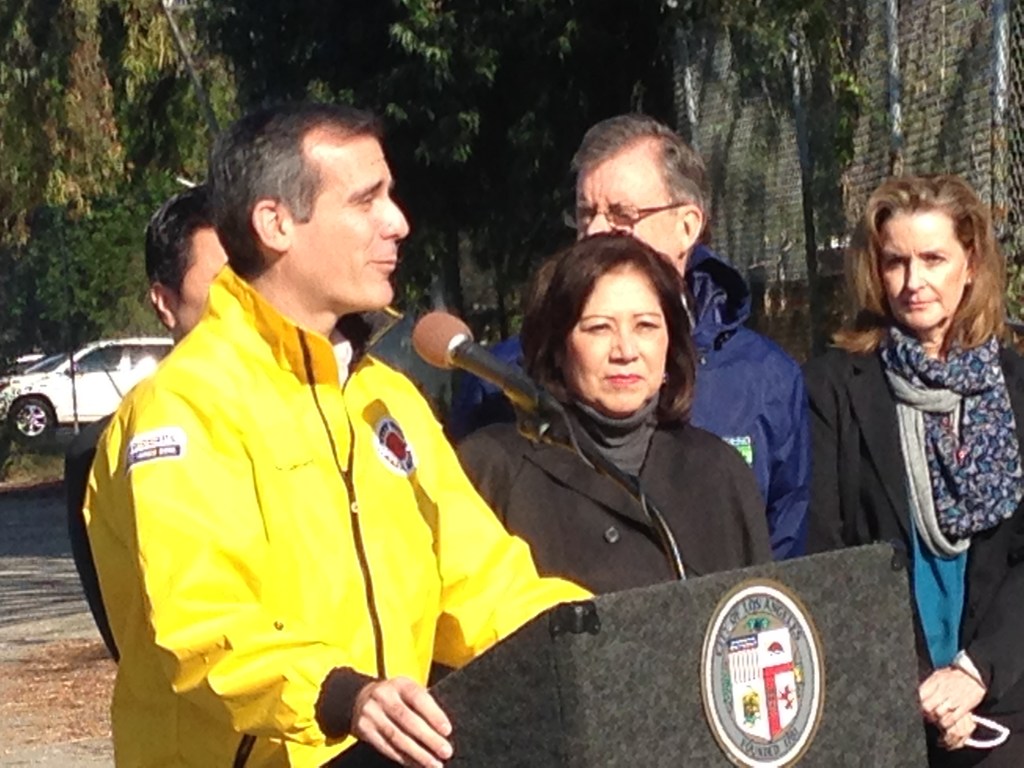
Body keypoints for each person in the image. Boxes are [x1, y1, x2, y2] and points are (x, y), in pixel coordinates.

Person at [83, 102, 588, 768]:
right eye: (366, 199)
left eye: (392, 196)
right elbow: (204, 626)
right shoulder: (184, 406)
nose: (398, 221)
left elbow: (484, 586)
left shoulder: (387, 399)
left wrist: (603, 636)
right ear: (275, 224)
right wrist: (344, 696)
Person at [450, 114, 810, 560]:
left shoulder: (766, 380)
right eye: (586, 214)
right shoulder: (500, 379)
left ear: (687, 226)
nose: (597, 232)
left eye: (623, 215)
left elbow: (783, 555)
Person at [804, 174, 1024, 766]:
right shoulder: (837, 386)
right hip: (888, 690)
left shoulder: (1016, 386)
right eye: (896, 261)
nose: (914, 281)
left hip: (1004, 696)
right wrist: (919, 684)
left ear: (970, 263)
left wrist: (977, 672)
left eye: (933, 258)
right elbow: (829, 549)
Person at [458, 233, 772, 592]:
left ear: (671, 342)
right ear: (559, 347)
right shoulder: (492, 469)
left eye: (646, 326)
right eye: (599, 327)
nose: (625, 350)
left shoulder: (720, 472)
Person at [65, 184, 227, 661]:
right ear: (164, 302)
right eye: (223, 284)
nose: (246, 302)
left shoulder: (340, 399)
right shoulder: (135, 440)